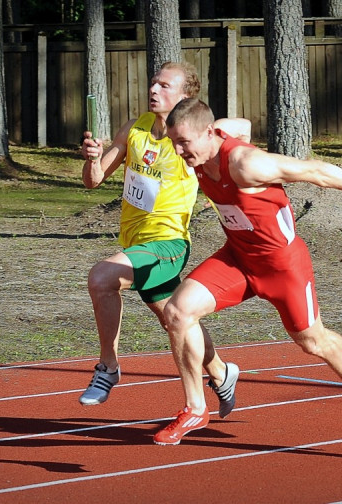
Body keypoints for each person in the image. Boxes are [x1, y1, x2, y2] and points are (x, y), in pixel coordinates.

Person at [151, 97, 342, 446]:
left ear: (208, 133)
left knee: (312, 341)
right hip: (238, 258)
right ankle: (195, 406)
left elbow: (310, 170)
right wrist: (221, 128)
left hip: (283, 266)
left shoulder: (246, 164)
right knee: (177, 312)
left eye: (184, 142)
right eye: (174, 142)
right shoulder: (207, 142)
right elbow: (239, 125)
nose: (179, 151)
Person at [78, 61, 251, 420]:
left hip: (169, 244)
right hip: (136, 244)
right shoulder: (136, 128)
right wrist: (92, 159)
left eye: (164, 86)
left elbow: (245, 128)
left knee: (102, 278)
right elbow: (94, 181)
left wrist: (211, 125)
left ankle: (107, 368)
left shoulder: (194, 138)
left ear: (185, 96)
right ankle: (221, 372)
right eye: (153, 83)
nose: (154, 90)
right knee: (177, 320)